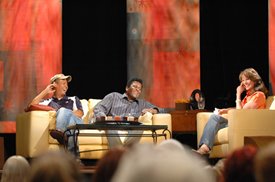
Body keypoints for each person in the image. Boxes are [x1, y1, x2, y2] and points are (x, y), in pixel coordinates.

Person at [196, 68, 268, 155]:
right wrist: (225, 110)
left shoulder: (259, 95)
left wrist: (238, 94)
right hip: (240, 123)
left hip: (248, 125)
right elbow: (239, 109)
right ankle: (204, 148)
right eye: (242, 80)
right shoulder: (247, 97)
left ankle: (204, 149)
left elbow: (240, 113)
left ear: (255, 80)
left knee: (215, 122)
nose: (244, 82)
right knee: (215, 119)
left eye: (247, 79)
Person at [93, 78, 165, 148]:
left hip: (132, 127)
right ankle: (119, 154)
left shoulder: (142, 103)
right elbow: (99, 108)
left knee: (140, 127)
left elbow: (163, 110)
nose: (138, 90)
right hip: (114, 124)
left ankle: (126, 154)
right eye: (135, 87)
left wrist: (153, 110)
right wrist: (104, 119)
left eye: (139, 89)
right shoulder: (114, 96)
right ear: (127, 88)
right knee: (110, 126)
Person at [27, 73, 84, 156]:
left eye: (67, 84)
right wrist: (45, 91)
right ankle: (74, 158)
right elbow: (31, 105)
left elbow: (80, 113)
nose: (66, 86)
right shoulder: (49, 101)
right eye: (63, 84)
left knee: (65, 113)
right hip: (72, 125)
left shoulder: (73, 99)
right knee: (71, 124)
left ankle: (60, 132)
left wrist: (65, 113)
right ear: (55, 85)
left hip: (78, 122)